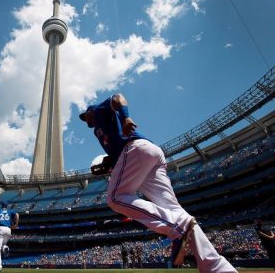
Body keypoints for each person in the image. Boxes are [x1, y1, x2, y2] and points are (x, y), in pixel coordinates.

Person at [79, 93, 236, 273]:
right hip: (149, 153)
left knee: (115, 198)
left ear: (91, 111)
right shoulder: (99, 131)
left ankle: (175, 228)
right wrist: (110, 161)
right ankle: (218, 268)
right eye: (85, 118)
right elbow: (116, 148)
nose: (86, 119)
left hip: (135, 148)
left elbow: (117, 98)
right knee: (174, 210)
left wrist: (126, 117)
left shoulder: (99, 112)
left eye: (86, 115)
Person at [0, 201, 19, 272]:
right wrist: (16, 225)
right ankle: (5, 247)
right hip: (8, 229)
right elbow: (17, 215)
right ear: (7, 206)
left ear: (1, 206)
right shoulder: (10, 211)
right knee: (3, 244)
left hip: (0, 228)